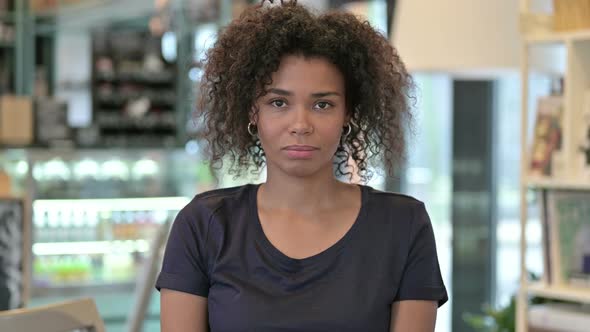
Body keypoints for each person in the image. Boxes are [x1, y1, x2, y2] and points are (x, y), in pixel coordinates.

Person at [156, 1, 448, 331]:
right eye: (278, 102)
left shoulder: (403, 226)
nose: (300, 124)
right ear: (254, 112)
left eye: (322, 104)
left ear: (348, 113)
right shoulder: (204, 225)